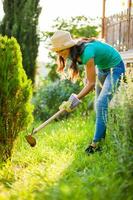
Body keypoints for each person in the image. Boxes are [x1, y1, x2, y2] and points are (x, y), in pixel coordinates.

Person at [50, 30, 125, 155]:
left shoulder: (86, 52)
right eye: (57, 51)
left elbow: (90, 84)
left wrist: (74, 100)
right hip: (102, 70)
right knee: (99, 105)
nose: (59, 53)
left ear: (68, 46)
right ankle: (101, 139)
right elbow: (89, 78)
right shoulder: (77, 52)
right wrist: (74, 99)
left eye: (60, 50)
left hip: (116, 68)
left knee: (101, 103)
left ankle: (95, 144)